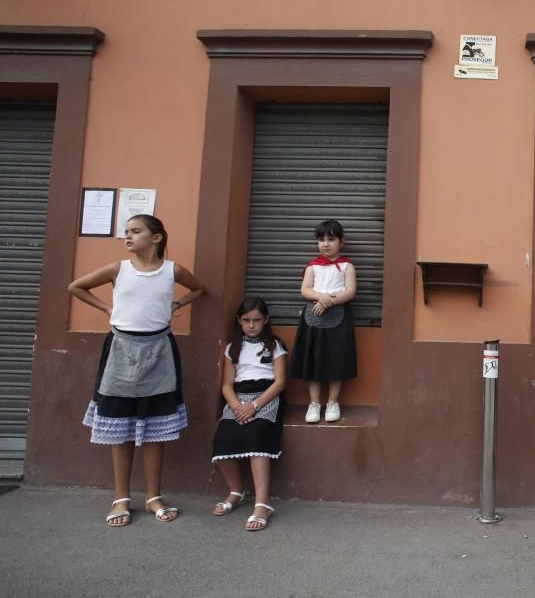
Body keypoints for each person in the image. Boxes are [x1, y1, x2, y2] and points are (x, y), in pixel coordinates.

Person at [68, 214, 205, 526]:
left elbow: (198, 289)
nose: (127, 237)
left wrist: (177, 304)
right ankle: (121, 497)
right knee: (121, 429)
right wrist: (106, 308)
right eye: (126, 232)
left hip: (159, 353)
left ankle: (154, 495)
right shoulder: (119, 269)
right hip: (120, 352)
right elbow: (76, 286)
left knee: (155, 429)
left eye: (135, 231)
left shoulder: (172, 271)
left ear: (156, 238)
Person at [210, 296, 286, 531]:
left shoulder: (275, 345)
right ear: (239, 321)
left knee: (257, 436)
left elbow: (280, 381)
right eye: (246, 320)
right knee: (223, 438)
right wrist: (237, 406)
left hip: (266, 396)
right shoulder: (233, 348)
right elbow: (226, 385)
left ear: (266, 320)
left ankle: (262, 503)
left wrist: (254, 406)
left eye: (257, 320)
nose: (252, 325)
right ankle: (235, 491)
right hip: (239, 398)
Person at [289, 219, 357, 423]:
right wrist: (320, 297)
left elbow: (351, 292)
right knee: (314, 360)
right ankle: (314, 403)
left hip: (339, 318)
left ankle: (333, 402)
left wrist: (327, 302)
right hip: (314, 319)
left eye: (331, 239)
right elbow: (305, 290)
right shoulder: (313, 267)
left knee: (336, 360)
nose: (326, 244)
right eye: (321, 240)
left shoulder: (347, 266)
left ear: (341, 241)